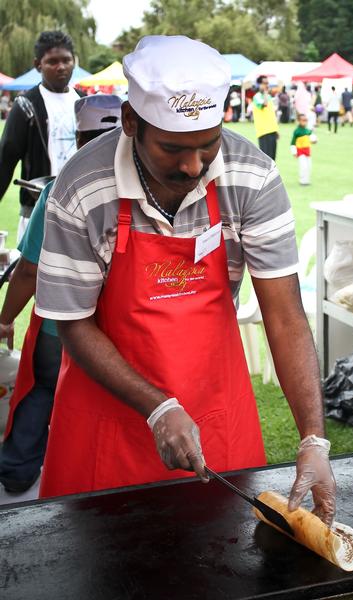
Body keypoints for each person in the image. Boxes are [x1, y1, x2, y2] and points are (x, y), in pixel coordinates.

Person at [35, 35, 336, 527]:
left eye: (208, 145)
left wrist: (313, 438)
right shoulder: (81, 187)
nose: (194, 167)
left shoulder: (252, 177)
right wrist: (156, 407)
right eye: (173, 148)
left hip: (216, 409)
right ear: (131, 123)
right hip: (106, 419)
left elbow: (284, 315)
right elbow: (73, 322)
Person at [0, 94, 122, 494]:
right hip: (121, 335)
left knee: (40, 393)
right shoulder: (150, 189)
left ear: (80, 137)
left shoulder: (60, 188)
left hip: (61, 329)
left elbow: (29, 269)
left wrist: (3, 319)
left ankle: (18, 472)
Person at [0, 30, 83, 242]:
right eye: (52, 61)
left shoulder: (85, 103)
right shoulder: (26, 106)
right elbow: (5, 162)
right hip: (37, 213)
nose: (61, 67)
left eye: (66, 60)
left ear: (74, 61)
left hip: (81, 214)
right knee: (32, 275)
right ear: (38, 65)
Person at [252, 76, 279, 160]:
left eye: (267, 83)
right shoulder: (257, 97)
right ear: (259, 84)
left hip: (272, 130)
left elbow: (271, 114)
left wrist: (276, 130)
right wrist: (266, 93)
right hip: (263, 132)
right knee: (266, 159)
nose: (267, 85)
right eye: (264, 83)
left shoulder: (269, 97)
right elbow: (264, 104)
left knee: (273, 158)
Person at [290, 113, 317, 185]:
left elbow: (312, 139)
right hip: (300, 152)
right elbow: (292, 143)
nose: (305, 121)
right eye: (303, 120)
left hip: (307, 151)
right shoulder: (297, 131)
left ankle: (307, 180)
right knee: (303, 166)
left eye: (306, 120)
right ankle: (302, 180)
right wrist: (294, 152)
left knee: (309, 166)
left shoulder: (308, 130)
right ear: (299, 121)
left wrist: (314, 140)